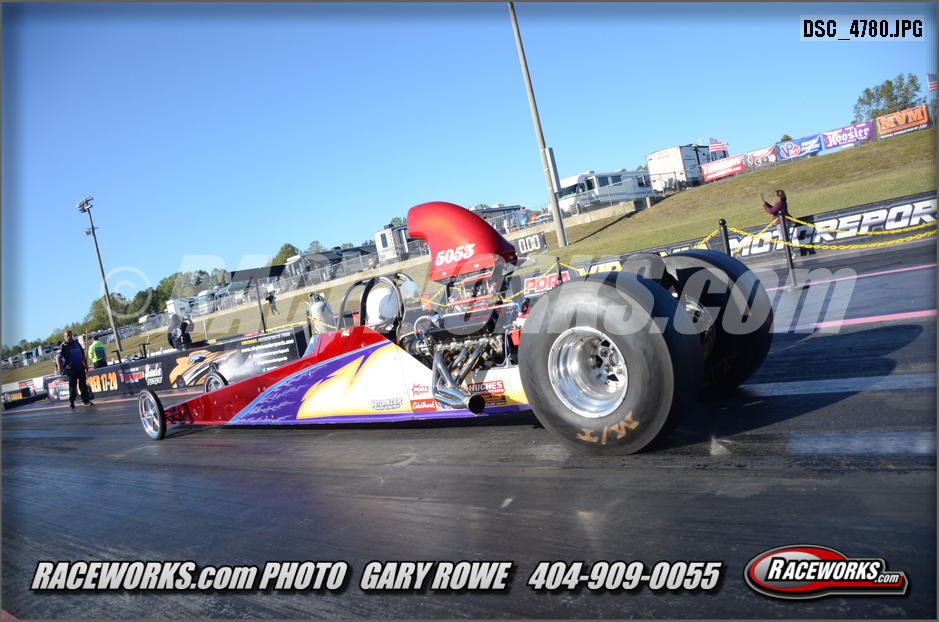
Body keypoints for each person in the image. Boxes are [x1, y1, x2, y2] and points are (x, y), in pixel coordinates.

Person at [59, 330, 92, 409]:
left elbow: (83, 355)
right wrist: (59, 368)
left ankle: (86, 401)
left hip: (80, 368)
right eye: (67, 336)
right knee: (72, 387)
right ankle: (71, 401)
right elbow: (58, 358)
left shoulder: (77, 344)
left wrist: (86, 364)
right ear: (64, 337)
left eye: (70, 335)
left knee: (83, 386)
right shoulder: (63, 346)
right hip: (71, 370)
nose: (69, 337)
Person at [762, 189, 793, 261]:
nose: (774, 197)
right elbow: (774, 209)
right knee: (785, 237)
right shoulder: (782, 203)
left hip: (782, 222)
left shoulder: (779, 203)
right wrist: (767, 204)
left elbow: (771, 211)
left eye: (775, 196)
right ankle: (790, 253)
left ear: (779, 196)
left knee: (785, 238)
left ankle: (790, 254)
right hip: (785, 222)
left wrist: (765, 206)